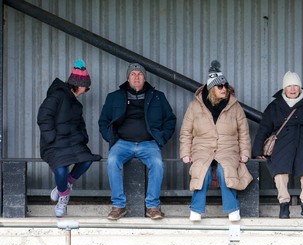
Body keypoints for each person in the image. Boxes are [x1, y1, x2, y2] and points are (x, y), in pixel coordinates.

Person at [99, 62, 176, 221]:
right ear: (128, 78)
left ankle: (152, 206)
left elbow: (170, 120)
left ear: (145, 78)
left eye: (139, 74)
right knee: (112, 161)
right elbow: (103, 121)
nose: (136, 77)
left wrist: (161, 138)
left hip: (148, 143)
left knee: (157, 164)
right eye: (133, 74)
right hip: (122, 143)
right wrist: (111, 138)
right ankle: (119, 205)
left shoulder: (157, 96)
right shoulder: (114, 97)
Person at [180, 60, 253, 222]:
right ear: (211, 89)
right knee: (202, 171)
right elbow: (186, 132)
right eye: (220, 86)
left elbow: (244, 132)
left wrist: (245, 153)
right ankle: (196, 209)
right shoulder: (195, 106)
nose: (224, 89)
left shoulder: (235, 106)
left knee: (224, 170)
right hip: (202, 149)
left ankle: (232, 209)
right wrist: (185, 153)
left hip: (228, 149)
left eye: (225, 86)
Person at [252, 71, 303, 219]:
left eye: (296, 85)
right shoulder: (274, 106)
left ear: (300, 87)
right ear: (284, 88)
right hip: (282, 145)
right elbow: (264, 129)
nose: (293, 89)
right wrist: (257, 150)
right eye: (289, 86)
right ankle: (284, 205)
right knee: (280, 172)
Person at [37, 59, 101, 218]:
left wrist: (83, 138)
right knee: (61, 168)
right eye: (86, 86)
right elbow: (43, 116)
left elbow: (80, 124)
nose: (87, 90)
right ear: (79, 85)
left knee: (87, 159)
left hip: (72, 142)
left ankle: (65, 185)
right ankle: (63, 196)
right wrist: (51, 138)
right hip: (54, 143)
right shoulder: (58, 95)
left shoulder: (77, 104)